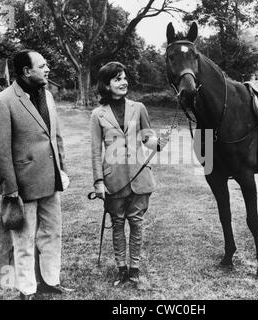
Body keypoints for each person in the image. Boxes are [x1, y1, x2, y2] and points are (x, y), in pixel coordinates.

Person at [0, 49, 73, 300]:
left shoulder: (47, 95)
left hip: (51, 179)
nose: (47, 69)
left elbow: (55, 137)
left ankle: (50, 281)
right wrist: (10, 188)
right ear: (27, 71)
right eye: (42, 65)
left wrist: (62, 170)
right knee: (23, 239)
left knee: (52, 232)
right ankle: (27, 289)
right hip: (23, 185)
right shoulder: (3, 101)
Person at [90, 61, 168, 286]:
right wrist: (98, 181)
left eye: (124, 78)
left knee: (136, 222)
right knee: (117, 223)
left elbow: (147, 137)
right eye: (117, 79)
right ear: (106, 85)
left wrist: (157, 142)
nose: (123, 82)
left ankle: (134, 269)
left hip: (139, 175)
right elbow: (95, 150)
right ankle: (121, 269)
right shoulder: (98, 114)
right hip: (113, 178)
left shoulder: (139, 107)